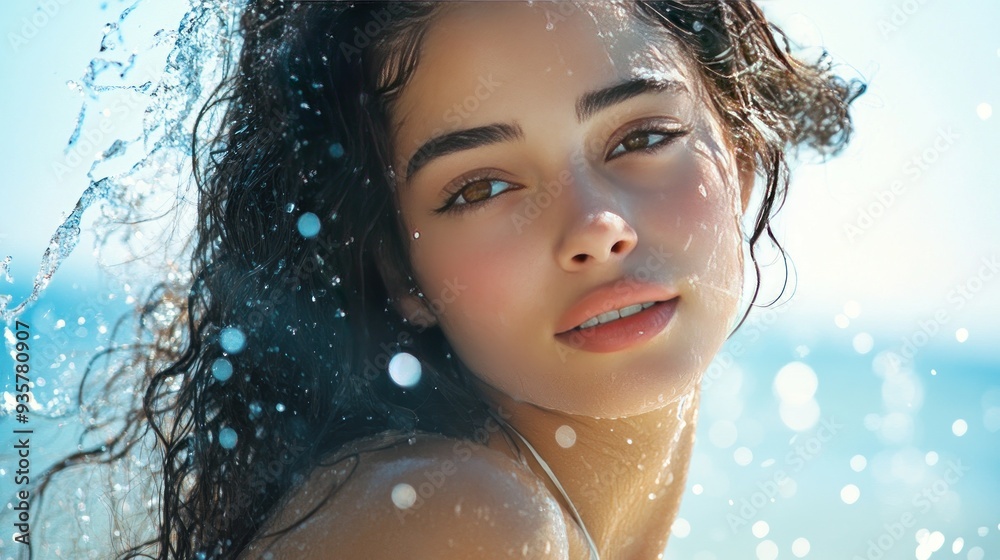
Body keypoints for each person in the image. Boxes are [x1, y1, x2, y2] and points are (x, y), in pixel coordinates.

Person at [32, 1, 862, 558]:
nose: (595, 229)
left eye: (640, 136)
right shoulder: (461, 523)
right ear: (401, 268)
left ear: (743, 153)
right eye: (482, 187)